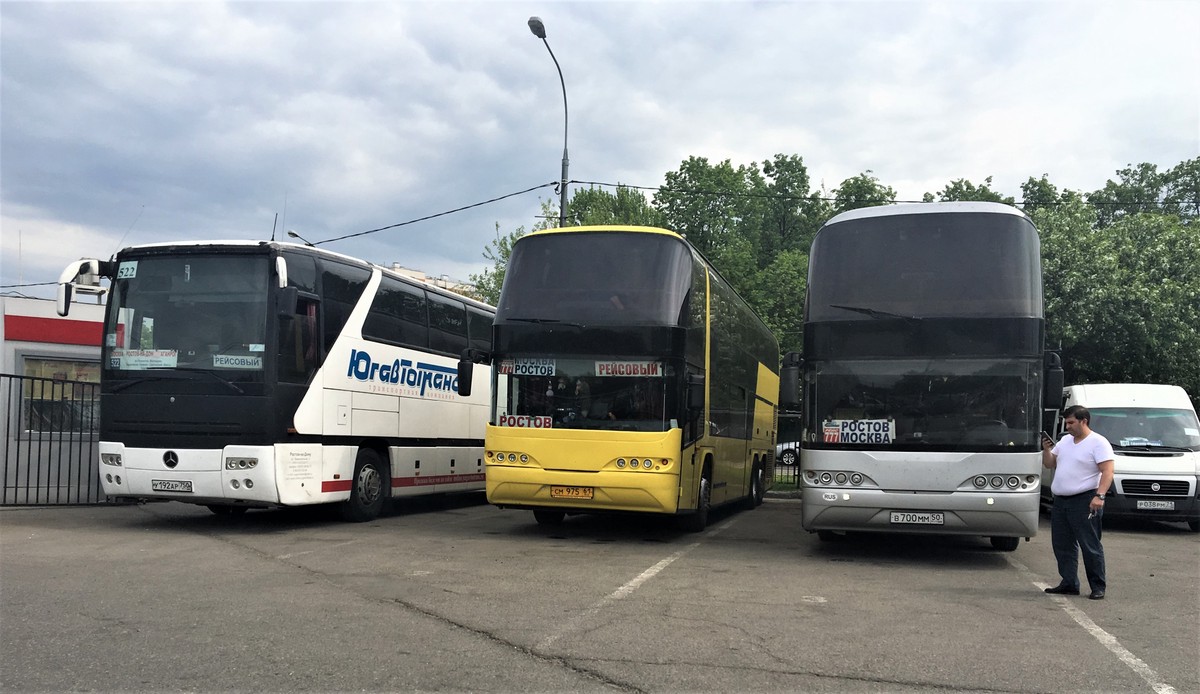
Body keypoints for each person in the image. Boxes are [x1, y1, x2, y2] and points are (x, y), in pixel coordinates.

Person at [1041, 405, 1115, 600]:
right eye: (1066, 422)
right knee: (1062, 545)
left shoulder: (1098, 442)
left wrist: (1100, 496)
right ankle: (1069, 582)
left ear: (1084, 421)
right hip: (1061, 501)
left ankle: (1098, 586)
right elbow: (1050, 464)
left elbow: (1107, 471)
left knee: (1089, 544)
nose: (1068, 426)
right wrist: (1047, 450)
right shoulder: (1065, 441)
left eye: (1071, 422)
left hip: (1084, 499)